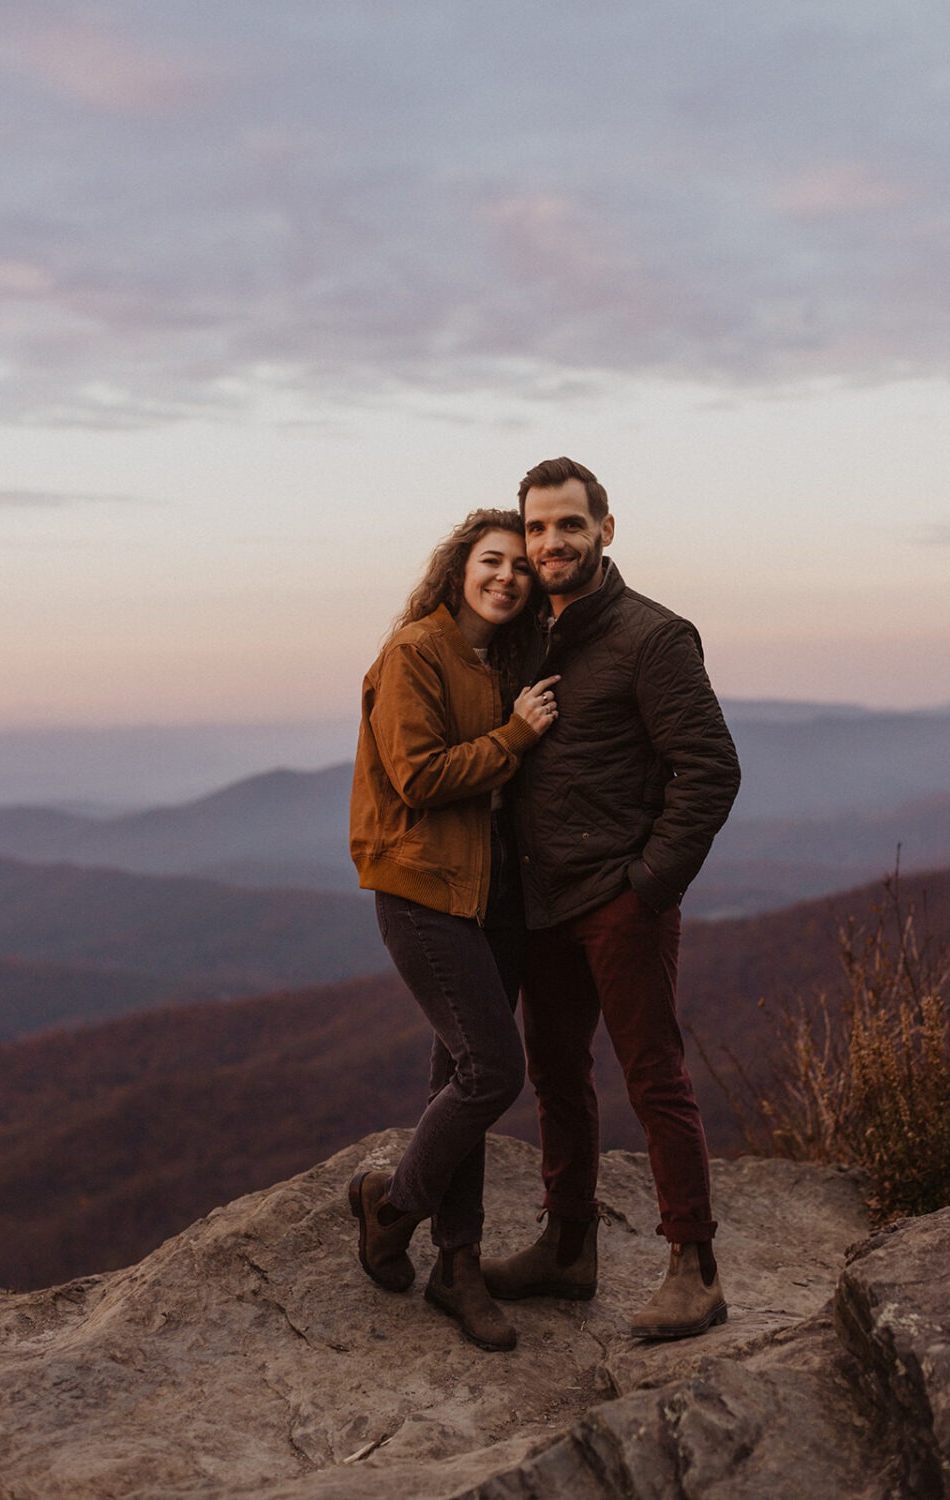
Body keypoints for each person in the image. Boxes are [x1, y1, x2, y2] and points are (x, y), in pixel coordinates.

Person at [480, 457, 741, 1340]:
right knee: (556, 1074)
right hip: (542, 902)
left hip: (618, 900)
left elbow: (710, 771)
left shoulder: (653, 637)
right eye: (539, 528)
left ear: (606, 530)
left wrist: (647, 887)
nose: (552, 542)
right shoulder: (524, 636)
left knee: (652, 1076)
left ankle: (695, 1269)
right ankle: (567, 1248)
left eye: (569, 525)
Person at [348, 508, 560, 1352]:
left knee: (458, 1072)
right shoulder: (416, 652)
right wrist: (517, 733)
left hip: (492, 893)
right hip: (423, 890)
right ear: (458, 568)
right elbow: (420, 774)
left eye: (520, 567)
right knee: (492, 1071)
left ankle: (458, 1265)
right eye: (492, 561)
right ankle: (391, 1205)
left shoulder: (501, 658)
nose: (507, 576)